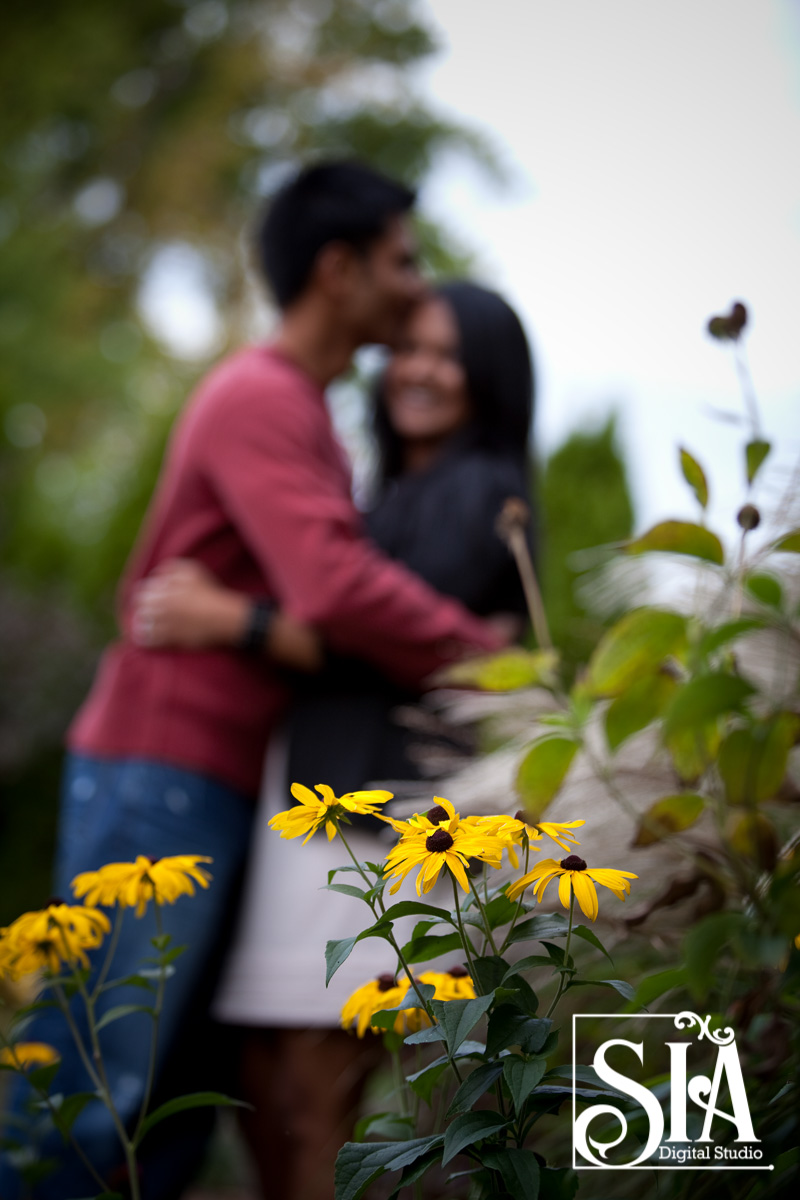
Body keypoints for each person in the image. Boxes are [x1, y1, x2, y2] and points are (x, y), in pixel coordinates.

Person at [0, 164, 507, 1200]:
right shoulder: (259, 399)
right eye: (402, 265)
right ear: (338, 269)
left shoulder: (308, 415)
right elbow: (336, 585)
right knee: (96, 1068)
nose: (416, 290)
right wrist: (478, 655)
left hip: (214, 774)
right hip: (162, 765)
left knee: (174, 1086)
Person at [132, 280, 535, 1199]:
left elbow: (374, 629)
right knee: (273, 1082)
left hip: (370, 822)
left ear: (490, 379)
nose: (418, 371)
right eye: (409, 348)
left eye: (448, 354)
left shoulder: (479, 488)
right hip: (324, 805)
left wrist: (234, 618)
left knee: (316, 1092)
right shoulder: (400, 491)